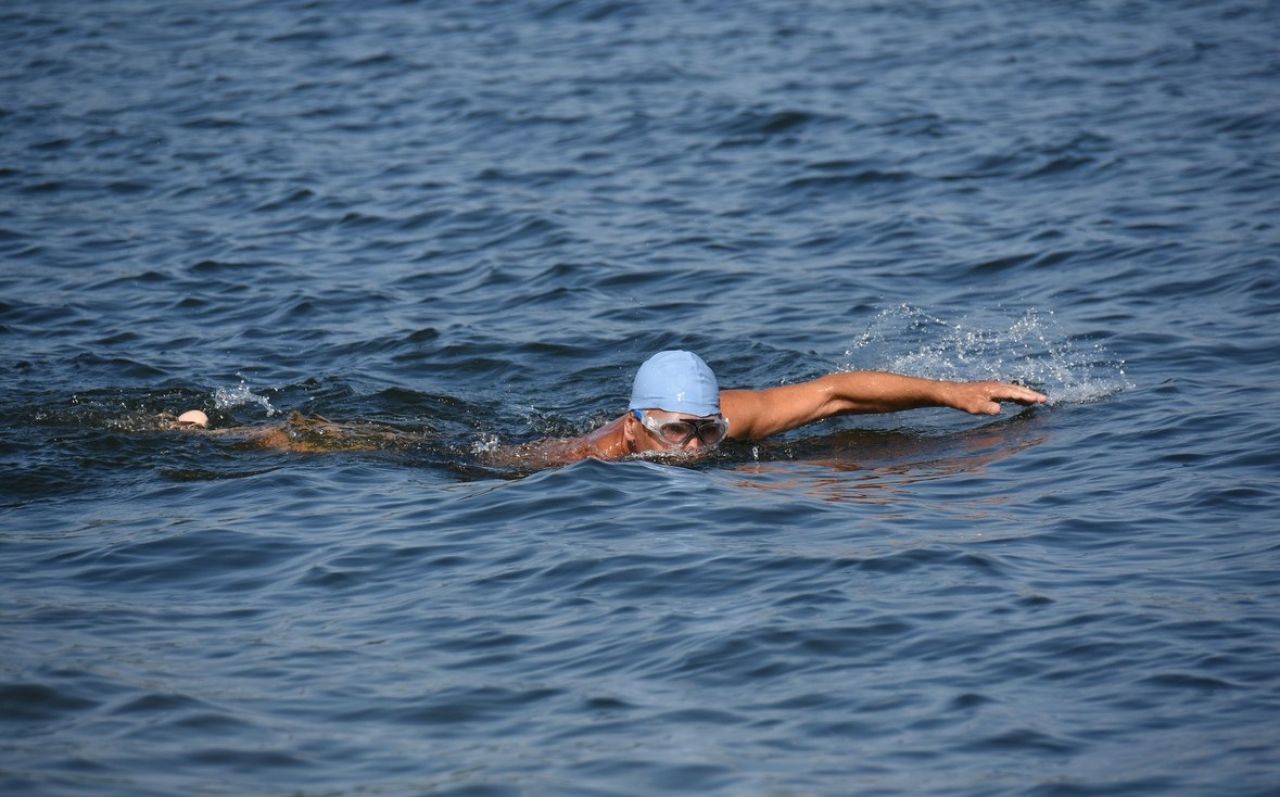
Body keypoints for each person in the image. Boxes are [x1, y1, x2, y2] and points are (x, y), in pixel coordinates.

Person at [168, 350, 1048, 465]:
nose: (693, 448)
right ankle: (264, 430)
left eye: (705, 431)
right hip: (513, 457)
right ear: (638, 424)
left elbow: (837, 390)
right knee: (380, 446)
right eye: (677, 431)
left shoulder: (725, 421)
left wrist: (953, 393)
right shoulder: (606, 451)